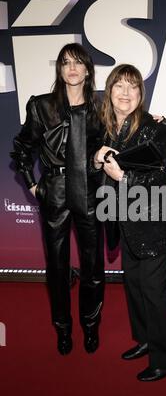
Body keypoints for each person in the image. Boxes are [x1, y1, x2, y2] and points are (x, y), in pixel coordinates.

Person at [11, 43, 105, 355]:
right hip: (55, 191)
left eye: (78, 63)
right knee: (57, 268)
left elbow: (117, 141)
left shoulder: (99, 110)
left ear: (88, 70)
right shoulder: (41, 106)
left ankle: (90, 327)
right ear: (60, 70)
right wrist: (32, 185)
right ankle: (63, 329)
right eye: (66, 63)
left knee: (92, 268)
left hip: (90, 192)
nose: (72, 68)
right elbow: (22, 148)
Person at [94, 64, 166, 381]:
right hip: (125, 221)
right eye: (119, 86)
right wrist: (96, 159)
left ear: (140, 94)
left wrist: (123, 176)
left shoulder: (154, 128)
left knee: (154, 292)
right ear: (110, 92)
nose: (125, 93)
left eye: (133, 87)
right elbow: (97, 167)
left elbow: (162, 178)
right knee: (134, 286)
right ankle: (147, 340)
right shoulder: (108, 130)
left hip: (152, 223)